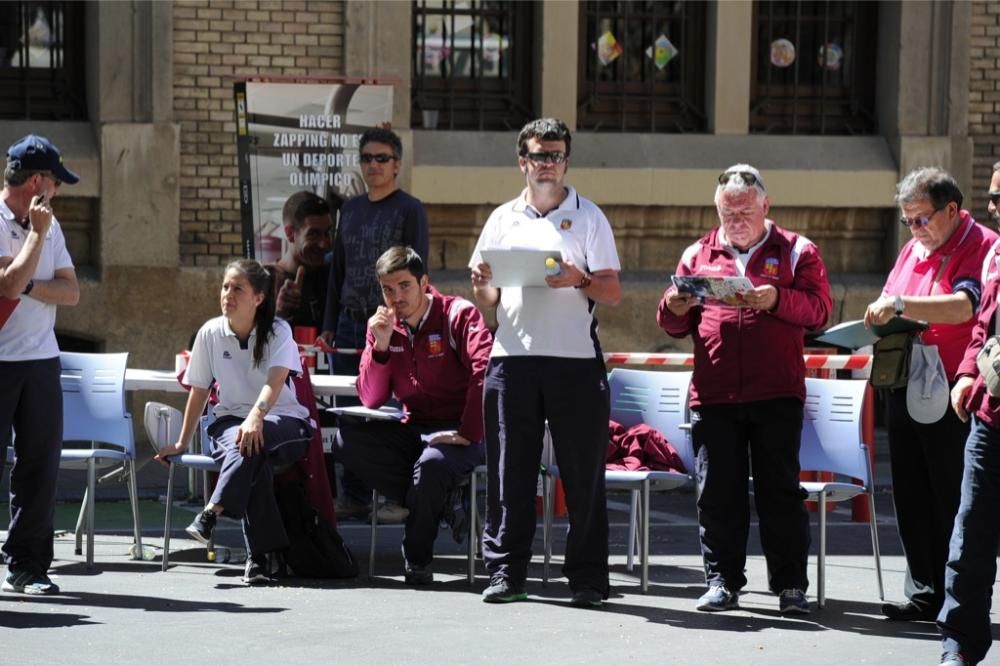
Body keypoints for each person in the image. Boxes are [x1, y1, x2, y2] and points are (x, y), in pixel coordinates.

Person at [658, 164, 832, 614]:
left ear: (766, 206)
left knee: (779, 491)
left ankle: (791, 585)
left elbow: (819, 312)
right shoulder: (698, 253)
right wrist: (673, 303)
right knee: (717, 492)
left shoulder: (797, 251)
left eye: (745, 211)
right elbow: (673, 324)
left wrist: (776, 299)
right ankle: (722, 581)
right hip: (714, 394)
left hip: (776, 392)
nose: (735, 221)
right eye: (727, 212)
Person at [469, 118, 621, 607]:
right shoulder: (501, 218)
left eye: (556, 155)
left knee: (582, 475)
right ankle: (506, 573)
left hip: (574, 361)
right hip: (512, 360)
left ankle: (589, 579)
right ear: (523, 162)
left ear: (566, 161)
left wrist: (579, 278)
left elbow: (612, 291)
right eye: (539, 155)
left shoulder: (590, 217)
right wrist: (480, 284)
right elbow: (489, 298)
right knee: (510, 473)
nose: (548, 164)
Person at [863, 167, 997, 623]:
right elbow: (888, 297)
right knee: (911, 491)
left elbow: (966, 305)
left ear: (953, 210)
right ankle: (923, 590)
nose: (916, 230)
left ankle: (955, 597)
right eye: (909, 221)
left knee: (950, 493)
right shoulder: (912, 249)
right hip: (907, 378)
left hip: (953, 385)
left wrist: (900, 307)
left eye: (923, 219)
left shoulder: (980, 246)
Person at [334, 246, 492, 584]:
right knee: (346, 441)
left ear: (424, 283)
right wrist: (379, 346)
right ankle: (443, 498)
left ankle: (417, 559)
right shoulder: (383, 325)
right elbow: (371, 397)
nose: (396, 297)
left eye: (404, 286)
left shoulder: (458, 314)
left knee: (433, 465)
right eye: (388, 289)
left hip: (462, 432)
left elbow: (485, 371)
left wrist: (467, 431)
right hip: (413, 427)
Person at [155, 259, 313, 585]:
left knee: (253, 438)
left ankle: (212, 511)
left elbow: (276, 379)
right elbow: (198, 391)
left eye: (237, 288)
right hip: (228, 421)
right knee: (251, 452)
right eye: (225, 286)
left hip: (283, 420)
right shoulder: (210, 332)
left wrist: (256, 417)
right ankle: (263, 558)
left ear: (258, 298)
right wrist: (183, 441)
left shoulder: (279, 330)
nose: (228, 294)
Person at [321, 127, 429, 524]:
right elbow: (338, 273)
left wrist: (411, 323)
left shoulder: (410, 209)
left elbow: (419, 274)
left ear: (397, 164)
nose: (373, 165)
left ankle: (397, 495)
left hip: (395, 328)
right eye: (366, 158)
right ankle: (354, 496)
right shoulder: (349, 210)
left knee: (396, 412)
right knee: (350, 413)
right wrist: (329, 323)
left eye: (381, 158)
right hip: (350, 327)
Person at [0, 134, 80, 595]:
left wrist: (31, 284)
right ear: (36, 182)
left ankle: (28, 566)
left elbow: (70, 291)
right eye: (55, 181)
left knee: (39, 466)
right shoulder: (31, 226)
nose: (60, 190)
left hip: (40, 361)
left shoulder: (50, 227)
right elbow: (7, 286)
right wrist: (35, 237)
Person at [935, 163, 1000, 666]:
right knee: (971, 532)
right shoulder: (996, 253)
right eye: (994, 199)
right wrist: (964, 375)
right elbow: (983, 328)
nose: (995, 209)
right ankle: (958, 645)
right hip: (991, 417)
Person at [273, 190, 335, 329]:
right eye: (313, 234)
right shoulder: (266, 281)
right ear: (290, 233)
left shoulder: (332, 275)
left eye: (327, 233)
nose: (324, 243)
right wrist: (280, 314)